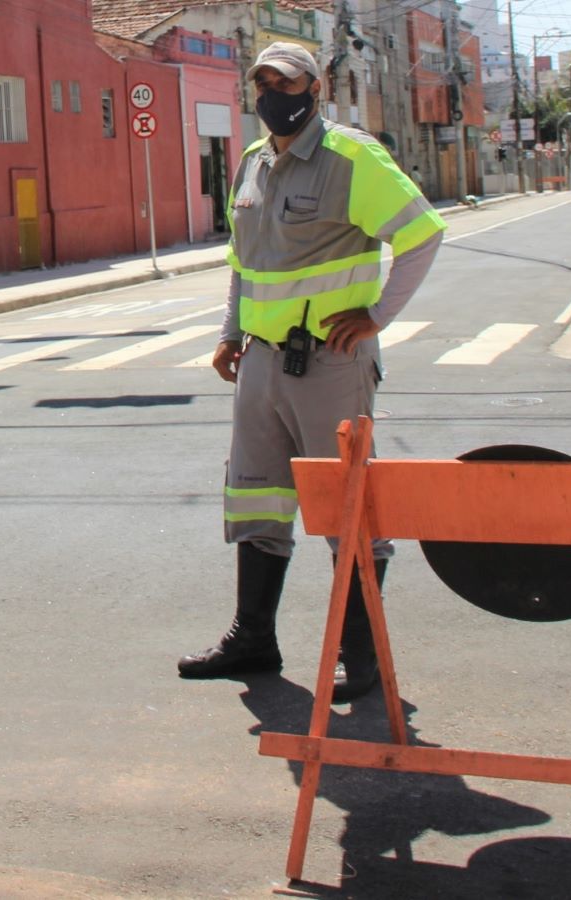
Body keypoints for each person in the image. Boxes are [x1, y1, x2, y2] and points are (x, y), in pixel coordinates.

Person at [177, 42, 446, 701]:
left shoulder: (352, 158)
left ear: (315, 88)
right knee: (256, 497)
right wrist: (229, 334)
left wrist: (379, 314)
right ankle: (253, 638)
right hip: (261, 364)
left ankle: (363, 655)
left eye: (287, 82)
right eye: (263, 82)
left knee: (346, 506)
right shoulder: (249, 162)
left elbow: (422, 232)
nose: (274, 94)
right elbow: (244, 264)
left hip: (329, 365)